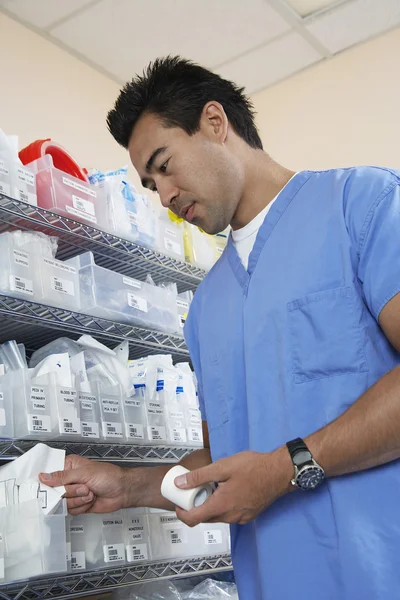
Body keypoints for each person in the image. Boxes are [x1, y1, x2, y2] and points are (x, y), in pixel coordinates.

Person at [40, 56, 400, 600]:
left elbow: (271, 465)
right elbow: (227, 457)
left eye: (164, 165)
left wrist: (287, 467)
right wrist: (130, 484)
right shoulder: (209, 306)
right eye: (149, 183)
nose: (163, 197)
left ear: (214, 121)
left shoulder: (363, 204)